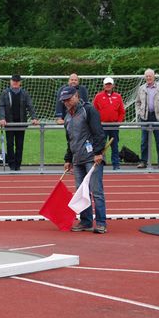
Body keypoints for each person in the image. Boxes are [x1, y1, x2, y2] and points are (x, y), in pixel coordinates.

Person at [61, 86, 107, 234]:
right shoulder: (67, 117)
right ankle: (86, 221)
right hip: (77, 159)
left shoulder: (89, 110)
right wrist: (68, 159)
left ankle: (101, 223)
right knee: (81, 192)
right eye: (64, 101)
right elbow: (70, 140)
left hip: (92, 158)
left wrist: (98, 152)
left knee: (96, 191)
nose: (66, 102)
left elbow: (99, 133)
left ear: (76, 96)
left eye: (68, 99)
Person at [0, 74, 39, 171]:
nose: (15, 83)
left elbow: (30, 106)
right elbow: (2, 106)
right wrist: (2, 118)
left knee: (19, 145)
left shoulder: (24, 93)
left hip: (21, 123)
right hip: (9, 123)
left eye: (17, 81)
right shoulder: (5, 93)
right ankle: (11, 164)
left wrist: (34, 118)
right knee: (10, 144)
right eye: (14, 81)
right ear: (10, 81)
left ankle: (18, 164)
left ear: (20, 82)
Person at [135, 69, 159, 168]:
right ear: (145, 77)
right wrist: (140, 112)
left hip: (157, 117)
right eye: (147, 76)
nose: (148, 78)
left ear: (154, 77)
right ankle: (143, 161)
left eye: (150, 76)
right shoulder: (141, 88)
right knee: (144, 141)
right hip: (145, 117)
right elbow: (137, 102)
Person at [93, 77, 125, 170]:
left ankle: (116, 164)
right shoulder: (98, 96)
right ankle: (100, 164)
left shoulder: (118, 96)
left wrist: (118, 122)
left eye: (110, 84)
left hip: (114, 126)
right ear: (104, 85)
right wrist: (97, 123)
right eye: (106, 84)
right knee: (101, 145)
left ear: (113, 85)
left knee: (114, 145)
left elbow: (121, 111)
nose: (108, 86)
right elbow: (94, 111)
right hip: (102, 126)